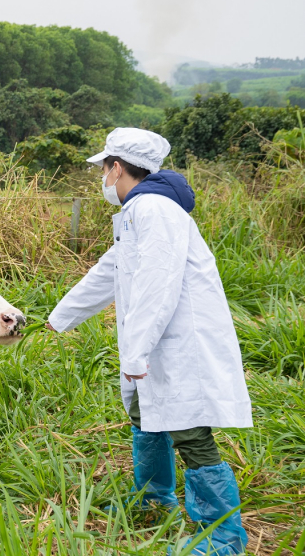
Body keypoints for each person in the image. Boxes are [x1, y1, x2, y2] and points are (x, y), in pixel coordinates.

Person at [46, 128, 251, 555]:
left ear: (116, 167)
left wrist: (137, 350)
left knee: (190, 433)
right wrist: (59, 318)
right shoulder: (137, 212)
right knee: (144, 413)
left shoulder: (155, 210)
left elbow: (160, 283)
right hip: (153, 340)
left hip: (176, 343)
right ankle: (154, 499)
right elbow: (109, 271)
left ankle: (223, 537)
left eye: (103, 168)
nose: (102, 177)